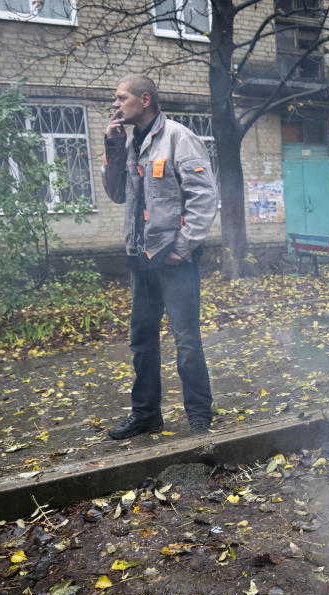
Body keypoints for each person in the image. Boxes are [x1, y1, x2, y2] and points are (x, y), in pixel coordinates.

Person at [102, 74, 218, 439]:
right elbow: (117, 194)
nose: (115, 104)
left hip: (173, 260)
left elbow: (204, 196)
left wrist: (183, 249)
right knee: (142, 340)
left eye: (121, 98)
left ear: (145, 99)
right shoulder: (132, 142)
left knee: (186, 340)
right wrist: (113, 147)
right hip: (141, 257)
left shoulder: (178, 138)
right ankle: (147, 415)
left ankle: (200, 414)